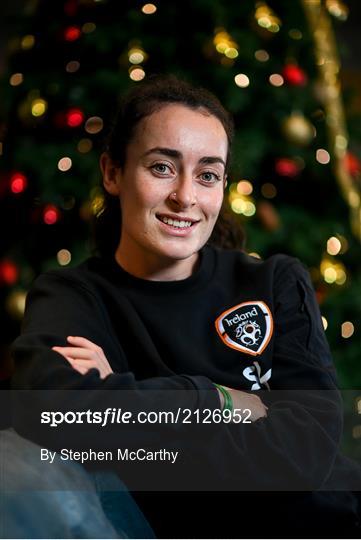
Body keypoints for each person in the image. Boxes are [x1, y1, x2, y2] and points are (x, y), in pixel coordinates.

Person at [4, 73, 361, 538]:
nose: (186, 197)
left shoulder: (273, 281)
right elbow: (53, 412)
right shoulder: (73, 297)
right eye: (161, 167)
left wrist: (125, 401)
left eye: (208, 175)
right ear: (113, 173)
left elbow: (308, 450)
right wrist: (220, 398)